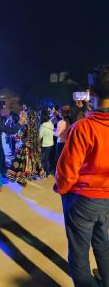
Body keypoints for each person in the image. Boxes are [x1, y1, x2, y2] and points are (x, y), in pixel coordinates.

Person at [54, 65, 109, 287]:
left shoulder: (83, 128)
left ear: (91, 93)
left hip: (83, 198)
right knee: (103, 245)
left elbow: (66, 172)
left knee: (79, 254)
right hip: (106, 199)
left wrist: (63, 191)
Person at [7, 108, 43, 185]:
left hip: (24, 148)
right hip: (33, 149)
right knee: (30, 163)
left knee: (21, 164)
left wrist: (16, 136)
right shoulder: (36, 127)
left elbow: (18, 136)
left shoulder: (25, 127)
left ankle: (22, 179)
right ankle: (29, 176)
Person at [39, 110, 54, 177]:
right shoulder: (50, 123)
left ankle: (43, 174)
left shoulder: (43, 126)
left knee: (43, 160)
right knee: (46, 159)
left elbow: (39, 136)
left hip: (45, 145)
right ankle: (47, 173)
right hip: (50, 144)